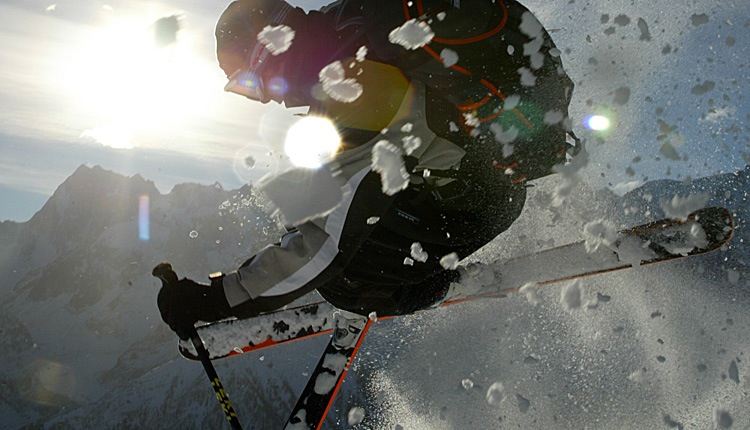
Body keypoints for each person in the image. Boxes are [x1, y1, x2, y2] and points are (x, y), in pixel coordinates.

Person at [155, 0, 577, 340]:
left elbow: (323, 245)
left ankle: (436, 284)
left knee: (344, 280)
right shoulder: (348, 28)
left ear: (271, 50)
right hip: (470, 171)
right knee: (331, 212)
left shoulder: (351, 89)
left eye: (249, 82)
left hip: (482, 202)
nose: (263, 98)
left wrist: (216, 300)